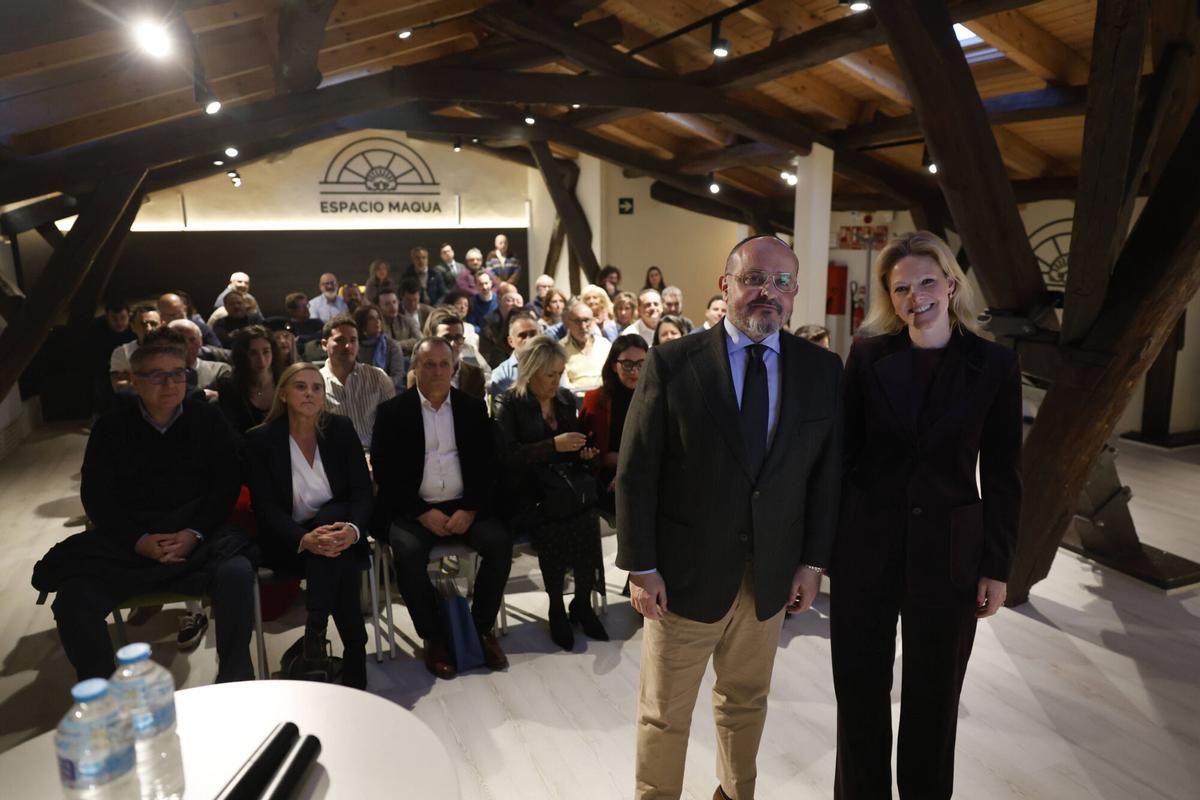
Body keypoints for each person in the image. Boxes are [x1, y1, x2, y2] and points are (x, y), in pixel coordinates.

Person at [617, 234, 843, 800]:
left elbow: (824, 479)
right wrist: (641, 566)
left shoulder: (821, 369)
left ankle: (735, 793)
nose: (768, 292)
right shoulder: (674, 362)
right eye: (754, 279)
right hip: (683, 580)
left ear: (795, 294)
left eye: (781, 283)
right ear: (727, 285)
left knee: (746, 704)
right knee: (664, 714)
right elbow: (638, 471)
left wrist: (813, 562)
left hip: (768, 578)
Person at [831, 231, 1021, 800]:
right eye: (902, 288)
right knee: (860, 696)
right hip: (867, 548)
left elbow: (1005, 471)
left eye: (927, 282)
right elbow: (843, 455)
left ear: (951, 283)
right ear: (891, 299)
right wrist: (821, 551)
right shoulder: (867, 356)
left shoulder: (993, 364)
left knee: (934, 701)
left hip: (951, 555)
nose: (917, 296)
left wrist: (998, 565)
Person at [35, 337, 256, 682]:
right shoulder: (110, 427)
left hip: (196, 536)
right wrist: (138, 540)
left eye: (177, 374)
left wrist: (192, 533)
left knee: (238, 574)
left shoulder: (207, 419)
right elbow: (97, 496)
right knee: (73, 600)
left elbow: (225, 485)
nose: (169, 383)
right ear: (134, 382)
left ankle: (235, 677)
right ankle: (102, 693)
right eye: (156, 376)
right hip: (130, 542)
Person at [371, 337, 512, 679]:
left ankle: (479, 630)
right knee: (407, 552)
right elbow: (385, 472)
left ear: (454, 368)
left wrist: (471, 509)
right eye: (428, 364)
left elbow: (487, 466)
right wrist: (421, 511)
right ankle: (434, 637)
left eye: (443, 364)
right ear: (415, 368)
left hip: (465, 506)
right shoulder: (393, 412)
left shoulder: (472, 408)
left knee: (499, 543)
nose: (436, 371)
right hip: (414, 509)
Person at [246, 362, 373, 690]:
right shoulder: (260, 440)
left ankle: (315, 629)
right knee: (334, 555)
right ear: (284, 394)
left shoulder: (341, 429)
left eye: (317, 387)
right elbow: (266, 508)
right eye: (301, 386)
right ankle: (355, 652)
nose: (310, 393)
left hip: (341, 530)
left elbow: (362, 492)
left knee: (331, 526)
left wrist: (353, 531)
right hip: (289, 540)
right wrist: (304, 538)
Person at [494, 336, 607, 650]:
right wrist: (552, 445)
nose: (557, 381)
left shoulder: (566, 400)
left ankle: (582, 601)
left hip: (564, 488)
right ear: (530, 372)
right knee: (557, 522)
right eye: (550, 375)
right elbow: (506, 457)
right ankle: (557, 605)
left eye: (560, 374)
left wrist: (583, 453)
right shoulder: (509, 403)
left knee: (586, 518)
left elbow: (575, 450)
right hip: (527, 493)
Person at [579, 334, 646, 514]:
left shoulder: (656, 398)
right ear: (614, 366)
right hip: (606, 475)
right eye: (627, 364)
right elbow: (595, 453)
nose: (635, 371)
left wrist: (627, 468)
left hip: (647, 469)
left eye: (641, 364)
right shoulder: (595, 400)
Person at [319, 315, 396, 448]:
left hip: (376, 454)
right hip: (336, 458)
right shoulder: (316, 383)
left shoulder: (377, 377)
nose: (348, 346)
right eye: (340, 340)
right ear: (324, 345)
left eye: (353, 340)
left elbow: (394, 422)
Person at [216, 325, 283, 437]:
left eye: (266, 352)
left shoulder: (285, 380)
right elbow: (232, 431)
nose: (261, 360)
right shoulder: (229, 386)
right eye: (253, 353)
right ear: (242, 355)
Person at [408, 313, 486, 400]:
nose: (452, 344)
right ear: (433, 340)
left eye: (458, 338)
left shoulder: (476, 375)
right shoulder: (418, 375)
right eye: (446, 338)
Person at [86, 299, 135, 416]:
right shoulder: (96, 327)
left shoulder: (135, 325)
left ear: (129, 316)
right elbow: (94, 355)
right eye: (114, 318)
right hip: (105, 367)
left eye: (123, 318)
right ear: (107, 317)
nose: (119, 322)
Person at [484, 309, 542, 400]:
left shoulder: (554, 366)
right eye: (522, 335)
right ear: (511, 341)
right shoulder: (500, 376)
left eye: (533, 334)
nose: (529, 340)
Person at [166, 319, 230, 395]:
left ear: (200, 342)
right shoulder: (161, 374)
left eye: (192, 340)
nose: (187, 345)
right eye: (178, 340)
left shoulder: (219, 370)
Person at [560, 301, 611, 392]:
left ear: (593, 320)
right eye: (577, 321)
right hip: (576, 401)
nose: (583, 326)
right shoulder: (559, 350)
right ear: (568, 323)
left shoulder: (605, 345)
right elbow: (563, 388)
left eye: (586, 320)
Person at [110, 304, 161, 394]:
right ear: (133, 327)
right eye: (143, 324)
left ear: (162, 325)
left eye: (153, 324)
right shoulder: (122, 352)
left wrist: (135, 379)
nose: (148, 329)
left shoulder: (173, 350)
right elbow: (119, 387)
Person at [353, 303, 405, 387]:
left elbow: (397, 376)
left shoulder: (392, 345)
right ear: (362, 323)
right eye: (371, 319)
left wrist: (379, 388)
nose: (377, 321)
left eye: (378, 318)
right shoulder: (356, 346)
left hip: (389, 390)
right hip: (362, 390)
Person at [478, 287, 526, 368]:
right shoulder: (489, 322)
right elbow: (485, 354)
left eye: (518, 301)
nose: (514, 304)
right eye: (510, 300)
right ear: (500, 303)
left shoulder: (528, 322)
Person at [392, 278, 434, 355]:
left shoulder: (428, 312)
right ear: (402, 297)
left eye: (415, 300)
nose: (412, 303)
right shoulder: (394, 313)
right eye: (408, 300)